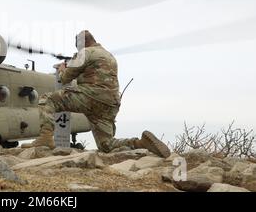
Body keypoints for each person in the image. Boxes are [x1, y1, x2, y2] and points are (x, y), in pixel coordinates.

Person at [22, 30, 171, 158]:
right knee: (106, 145)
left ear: (81, 44)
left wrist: (62, 68)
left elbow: (65, 78)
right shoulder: (109, 56)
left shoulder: (85, 52)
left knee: (47, 99)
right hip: (110, 104)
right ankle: (140, 143)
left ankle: (46, 138)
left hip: (90, 97)